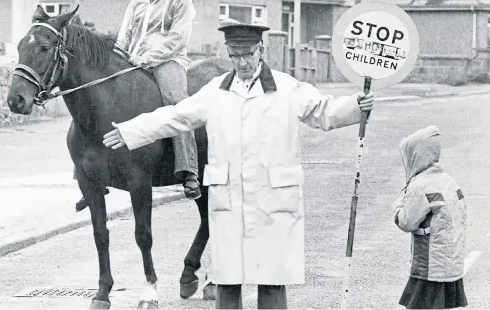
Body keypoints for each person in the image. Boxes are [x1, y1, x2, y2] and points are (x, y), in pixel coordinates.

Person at [103, 21, 375, 309]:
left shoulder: (286, 88)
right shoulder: (215, 92)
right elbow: (175, 116)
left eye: (249, 54)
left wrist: (358, 105)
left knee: (271, 278)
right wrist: (129, 130)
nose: (243, 62)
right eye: (235, 55)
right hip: (229, 199)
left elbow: (323, 111)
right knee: (228, 280)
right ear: (229, 55)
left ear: (261, 51)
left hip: (273, 198)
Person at [118, 0, 200, 199]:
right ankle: (91, 171)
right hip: (134, 58)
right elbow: (126, 30)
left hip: (168, 60)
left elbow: (178, 38)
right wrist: (120, 54)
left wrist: (150, 58)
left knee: (178, 106)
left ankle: (189, 171)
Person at [392, 125, 468, 309]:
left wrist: (397, 206)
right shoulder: (449, 181)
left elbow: (406, 222)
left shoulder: (419, 186)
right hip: (451, 263)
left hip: (429, 265)